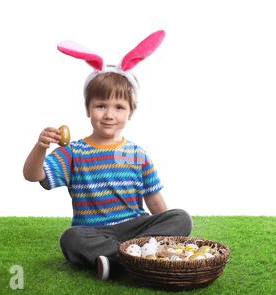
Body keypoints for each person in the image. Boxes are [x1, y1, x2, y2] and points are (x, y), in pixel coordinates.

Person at [22, 30, 192, 280]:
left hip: (135, 229)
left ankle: (119, 261)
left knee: (180, 218)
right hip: (93, 232)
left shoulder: (137, 154)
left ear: (130, 112)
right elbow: (32, 175)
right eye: (101, 106)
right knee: (70, 238)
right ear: (88, 109)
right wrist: (40, 147)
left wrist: (169, 234)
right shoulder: (73, 153)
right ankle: (132, 260)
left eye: (119, 107)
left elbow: (155, 202)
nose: (109, 114)